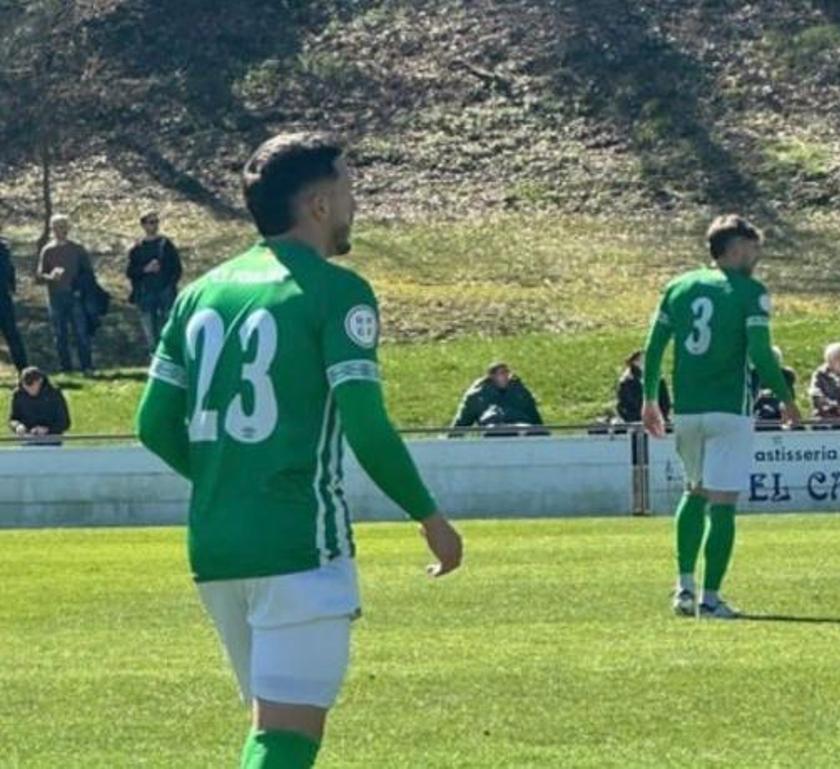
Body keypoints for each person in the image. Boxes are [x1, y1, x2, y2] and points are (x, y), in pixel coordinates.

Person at [134, 132, 462, 769]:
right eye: (347, 187)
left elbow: (152, 424)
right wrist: (429, 516)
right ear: (317, 204)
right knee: (287, 736)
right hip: (296, 539)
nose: (353, 203)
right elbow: (366, 427)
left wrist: (227, 477)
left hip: (216, 543)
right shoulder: (335, 292)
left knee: (269, 726)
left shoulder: (202, 292)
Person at [641, 214, 800, 620]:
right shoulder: (750, 292)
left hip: (688, 409)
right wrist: (786, 398)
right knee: (723, 502)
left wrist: (650, 399)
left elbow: (654, 345)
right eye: (753, 248)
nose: (757, 255)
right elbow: (762, 355)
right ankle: (711, 599)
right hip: (729, 409)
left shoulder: (678, 286)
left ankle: (683, 589)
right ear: (734, 249)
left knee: (693, 491)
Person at [35, 214, 94, 375]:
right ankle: (66, 368)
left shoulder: (77, 249)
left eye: (63, 226)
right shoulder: (47, 250)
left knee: (81, 332)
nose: (61, 230)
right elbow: (39, 276)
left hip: (75, 296)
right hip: (55, 297)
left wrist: (80, 287)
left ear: (68, 228)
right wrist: (50, 276)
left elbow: (88, 273)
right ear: (52, 229)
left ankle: (87, 367)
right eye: (57, 227)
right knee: (60, 334)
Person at [126, 210, 183, 356]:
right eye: (151, 222)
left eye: (156, 222)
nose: (155, 225)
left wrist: (169, 283)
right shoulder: (137, 248)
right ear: (143, 225)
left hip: (165, 291)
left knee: (168, 323)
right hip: (145, 292)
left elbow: (177, 267)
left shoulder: (165, 244)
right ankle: (154, 354)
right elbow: (130, 272)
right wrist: (145, 269)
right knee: (149, 326)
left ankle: (169, 354)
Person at [450, 362, 545, 434]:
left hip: (521, 429)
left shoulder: (520, 392)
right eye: (501, 373)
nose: (505, 376)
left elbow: (535, 418)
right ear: (491, 376)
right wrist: (451, 440)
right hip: (493, 431)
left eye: (506, 372)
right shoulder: (477, 396)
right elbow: (462, 422)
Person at [9, 366, 70, 443]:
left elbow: (65, 422)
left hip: (51, 440)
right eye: (26, 389)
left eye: (32, 388)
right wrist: (18, 426)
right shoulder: (18, 394)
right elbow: (13, 418)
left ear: (40, 381)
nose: (30, 392)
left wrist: (47, 430)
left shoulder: (54, 394)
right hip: (28, 440)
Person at [616, 350, 671, 424]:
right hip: (634, 419)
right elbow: (628, 404)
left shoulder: (658, 379)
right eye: (642, 360)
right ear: (634, 362)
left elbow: (665, 401)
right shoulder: (626, 381)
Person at [0, 234, 29, 373]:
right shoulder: (3, 248)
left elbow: (9, 270)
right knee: (12, 335)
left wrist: (11, 286)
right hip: (4, 297)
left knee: (12, 335)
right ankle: (23, 370)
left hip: (3, 298)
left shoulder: (3, 248)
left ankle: (24, 370)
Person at [752, 345, 798, 427]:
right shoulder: (753, 375)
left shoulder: (785, 375)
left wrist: (784, 404)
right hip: (759, 408)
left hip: (779, 408)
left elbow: (790, 396)